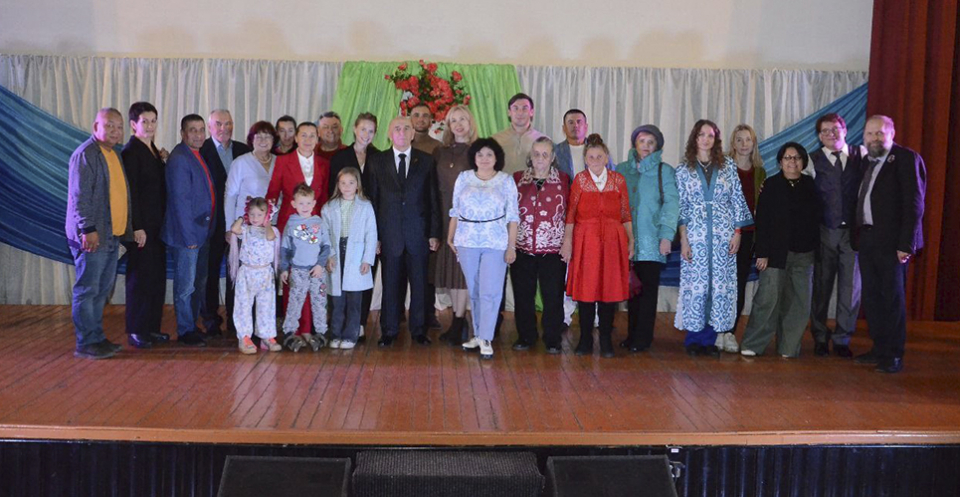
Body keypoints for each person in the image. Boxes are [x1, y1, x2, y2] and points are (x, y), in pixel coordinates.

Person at [674, 120, 753, 357]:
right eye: (701, 135)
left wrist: (737, 233)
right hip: (695, 237)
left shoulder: (727, 166)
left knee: (718, 287)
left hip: (723, 237)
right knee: (697, 287)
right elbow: (682, 207)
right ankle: (693, 339)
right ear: (694, 138)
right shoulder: (683, 169)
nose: (706, 139)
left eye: (710, 135)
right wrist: (684, 240)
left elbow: (737, 199)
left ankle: (710, 340)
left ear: (716, 139)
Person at [854, 115, 926, 374]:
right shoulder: (866, 162)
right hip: (868, 240)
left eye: (880, 133)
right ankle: (879, 348)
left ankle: (893, 354)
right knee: (872, 298)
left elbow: (914, 205)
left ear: (891, 134)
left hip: (893, 244)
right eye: (870, 133)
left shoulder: (906, 158)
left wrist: (906, 244)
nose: (874, 138)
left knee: (892, 299)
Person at [365, 116, 441, 347]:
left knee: (419, 286)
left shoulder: (426, 160)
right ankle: (389, 330)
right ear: (390, 134)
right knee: (390, 285)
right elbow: (372, 202)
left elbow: (433, 199)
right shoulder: (376, 161)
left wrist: (434, 233)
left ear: (412, 133)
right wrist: (375, 237)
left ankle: (419, 331)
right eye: (397, 128)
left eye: (406, 128)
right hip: (390, 236)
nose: (402, 132)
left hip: (419, 235)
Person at [740, 143, 820, 358]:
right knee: (768, 300)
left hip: (804, 255)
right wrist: (762, 253)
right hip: (775, 254)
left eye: (796, 158)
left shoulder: (810, 185)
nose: (792, 162)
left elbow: (816, 220)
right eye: (787, 157)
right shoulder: (771, 185)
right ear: (780, 162)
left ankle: (788, 347)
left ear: (803, 161)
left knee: (799, 302)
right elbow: (763, 221)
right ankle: (753, 344)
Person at [66, 108, 132, 359]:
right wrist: (87, 229)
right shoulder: (86, 154)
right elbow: (79, 196)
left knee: (102, 290)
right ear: (96, 127)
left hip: (111, 234)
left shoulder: (114, 154)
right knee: (88, 289)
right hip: (93, 235)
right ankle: (86, 342)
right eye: (109, 126)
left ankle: (97, 337)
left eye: (119, 127)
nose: (115, 131)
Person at [560, 134, 634, 358]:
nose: (595, 160)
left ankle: (605, 340)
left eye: (599, 156)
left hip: (613, 241)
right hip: (586, 241)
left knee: (608, 290)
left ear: (606, 157)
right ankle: (584, 339)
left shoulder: (618, 180)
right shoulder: (580, 180)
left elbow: (625, 213)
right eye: (591, 157)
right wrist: (567, 242)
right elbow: (571, 215)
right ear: (585, 159)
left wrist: (631, 240)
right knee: (586, 290)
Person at [448, 138, 520, 359]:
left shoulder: (506, 181)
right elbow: (455, 210)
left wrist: (511, 246)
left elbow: (513, 217)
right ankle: (478, 334)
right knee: (475, 290)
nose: (484, 158)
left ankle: (487, 337)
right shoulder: (464, 178)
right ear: (474, 158)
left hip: (495, 241)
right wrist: (450, 237)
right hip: (466, 240)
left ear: (497, 158)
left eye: (489, 154)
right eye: (480, 154)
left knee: (490, 291)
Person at [803, 113, 866, 358]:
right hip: (824, 233)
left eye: (835, 129)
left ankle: (842, 338)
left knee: (851, 290)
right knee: (821, 288)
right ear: (819, 136)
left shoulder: (861, 155)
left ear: (845, 130)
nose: (831, 134)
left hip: (853, 235)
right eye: (825, 131)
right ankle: (820, 337)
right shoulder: (811, 161)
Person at [615, 124, 679, 353]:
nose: (646, 146)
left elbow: (672, 205)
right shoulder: (622, 169)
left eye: (651, 142)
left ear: (657, 146)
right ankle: (631, 334)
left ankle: (643, 338)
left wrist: (666, 236)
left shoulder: (665, 171)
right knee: (630, 290)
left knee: (647, 291)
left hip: (652, 242)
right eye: (642, 141)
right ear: (635, 143)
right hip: (625, 241)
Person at [266, 122, 331, 340]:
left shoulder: (324, 164)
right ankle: (292, 330)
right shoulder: (283, 161)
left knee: (313, 277)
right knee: (293, 280)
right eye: (303, 135)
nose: (308, 140)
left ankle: (308, 329)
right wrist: (266, 224)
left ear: (318, 139)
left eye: (312, 135)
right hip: (290, 227)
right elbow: (272, 194)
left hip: (314, 229)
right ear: (296, 138)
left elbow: (324, 199)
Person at [162, 114, 218, 348]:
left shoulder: (196, 154)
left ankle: (191, 325)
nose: (198, 134)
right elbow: (180, 202)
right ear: (183, 133)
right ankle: (185, 330)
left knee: (196, 283)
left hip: (201, 233)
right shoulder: (179, 158)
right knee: (186, 286)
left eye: (201, 129)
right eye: (192, 130)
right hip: (188, 236)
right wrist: (189, 237)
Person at [512, 137, 569, 354]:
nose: (540, 159)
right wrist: (510, 245)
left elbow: (571, 214)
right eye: (536, 154)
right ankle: (526, 336)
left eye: (545, 154)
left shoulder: (564, 180)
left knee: (553, 296)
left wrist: (568, 242)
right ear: (530, 156)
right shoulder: (518, 179)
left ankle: (552, 338)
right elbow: (510, 214)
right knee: (523, 295)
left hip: (553, 250)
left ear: (553, 157)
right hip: (522, 247)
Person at [121, 102, 170, 349]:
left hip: (157, 226)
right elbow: (131, 193)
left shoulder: (153, 150)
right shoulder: (131, 152)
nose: (150, 126)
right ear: (133, 124)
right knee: (140, 278)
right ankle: (137, 329)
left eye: (153, 121)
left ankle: (151, 327)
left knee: (155, 277)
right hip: (142, 228)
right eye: (145, 122)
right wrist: (136, 227)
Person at [200, 109, 251, 337]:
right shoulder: (201, 150)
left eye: (228, 123)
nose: (224, 128)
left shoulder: (243, 150)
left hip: (238, 226)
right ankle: (210, 319)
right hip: (210, 225)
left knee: (236, 274)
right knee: (209, 274)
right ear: (210, 127)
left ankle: (234, 318)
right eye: (219, 124)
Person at [329, 113, 380, 340]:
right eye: (363, 129)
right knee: (340, 278)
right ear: (354, 129)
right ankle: (339, 324)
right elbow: (331, 193)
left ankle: (359, 323)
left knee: (364, 273)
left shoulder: (379, 157)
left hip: (369, 224)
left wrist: (377, 237)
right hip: (343, 226)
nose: (366, 134)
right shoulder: (340, 157)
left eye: (371, 131)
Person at [434, 105, 478, 345]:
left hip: (466, 218)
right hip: (443, 215)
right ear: (448, 126)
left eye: (463, 119)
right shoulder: (439, 152)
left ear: (470, 123)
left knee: (461, 272)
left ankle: (460, 321)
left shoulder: (477, 151)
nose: (458, 124)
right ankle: (456, 319)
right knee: (449, 270)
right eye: (453, 120)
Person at [323, 168, 378, 349]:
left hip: (356, 255)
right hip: (337, 252)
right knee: (337, 300)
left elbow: (371, 234)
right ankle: (335, 334)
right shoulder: (329, 207)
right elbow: (325, 233)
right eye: (343, 183)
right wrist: (330, 255)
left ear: (357, 185)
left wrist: (367, 259)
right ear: (338, 185)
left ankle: (350, 336)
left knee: (354, 301)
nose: (347, 187)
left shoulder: (365, 206)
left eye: (351, 183)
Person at [723, 124, 767, 353]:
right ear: (733, 143)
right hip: (725, 236)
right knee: (721, 283)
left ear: (753, 143)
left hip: (749, 236)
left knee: (738, 284)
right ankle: (716, 331)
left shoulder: (760, 172)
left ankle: (730, 331)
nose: (743, 144)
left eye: (748, 139)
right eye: (739, 139)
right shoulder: (723, 169)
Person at [279, 184, 333, 352]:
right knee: (295, 302)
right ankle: (289, 332)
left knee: (319, 302)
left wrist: (320, 265)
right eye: (301, 203)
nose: (305, 207)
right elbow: (285, 248)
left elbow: (326, 247)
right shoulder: (291, 223)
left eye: (308, 203)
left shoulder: (319, 223)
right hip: (298, 270)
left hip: (317, 271)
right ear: (294, 204)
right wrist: (284, 269)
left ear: (314, 203)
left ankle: (321, 332)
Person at [228, 197, 282, 354]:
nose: (255, 218)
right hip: (247, 273)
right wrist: (242, 217)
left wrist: (268, 222)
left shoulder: (271, 231)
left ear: (267, 215)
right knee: (243, 306)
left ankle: (267, 335)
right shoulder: (245, 229)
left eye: (259, 214)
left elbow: (270, 237)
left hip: (265, 274)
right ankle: (244, 337)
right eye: (252, 214)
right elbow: (234, 229)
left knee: (266, 305)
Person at [225, 122, 278, 226]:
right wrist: (229, 227)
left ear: (273, 140)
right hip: (246, 224)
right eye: (258, 137)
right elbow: (230, 196)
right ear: (252, 139)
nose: (263, 140)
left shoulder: (279, 162)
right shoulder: (241, 162)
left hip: (272, 225)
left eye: (267, 136)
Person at [555, 109, 614, 181]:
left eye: (579, 122)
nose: (575, 125)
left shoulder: (599, 149)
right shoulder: (556, 152)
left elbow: (611, 174)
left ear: (586, 127)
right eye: (571, 122)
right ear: (564, 128)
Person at [493, 93, 545, 174]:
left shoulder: (543, 140)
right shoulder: (495, 140)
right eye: (515, 108)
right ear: (509, 112)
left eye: (524, 108)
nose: (520, 113)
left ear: (531, 112)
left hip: (533, 182)